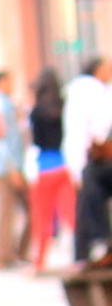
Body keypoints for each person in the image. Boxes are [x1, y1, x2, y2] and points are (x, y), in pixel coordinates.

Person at [63, 55, 112, 262]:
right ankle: (96, 244)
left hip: (92, 161)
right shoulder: (91, 92)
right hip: (93, 161)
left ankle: (89, 248)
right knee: (90, 183)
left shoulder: (91, 92)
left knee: (89, 187)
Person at [27, 68, 76, 271]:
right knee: (71, 215)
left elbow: (36, 140)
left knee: (43, 216)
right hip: (64, 165)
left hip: (45, 166)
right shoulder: (64, 106)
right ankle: (79, 254)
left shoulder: (36, 111)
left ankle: (40, 260)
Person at [0, 70, 30, 266]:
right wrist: (11, 167)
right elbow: (2, 140)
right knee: (6, 212)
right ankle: (3, 257)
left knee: (24, 211)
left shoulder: (8, 104)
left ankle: (17, 252)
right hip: (7, 167)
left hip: (16, 164)